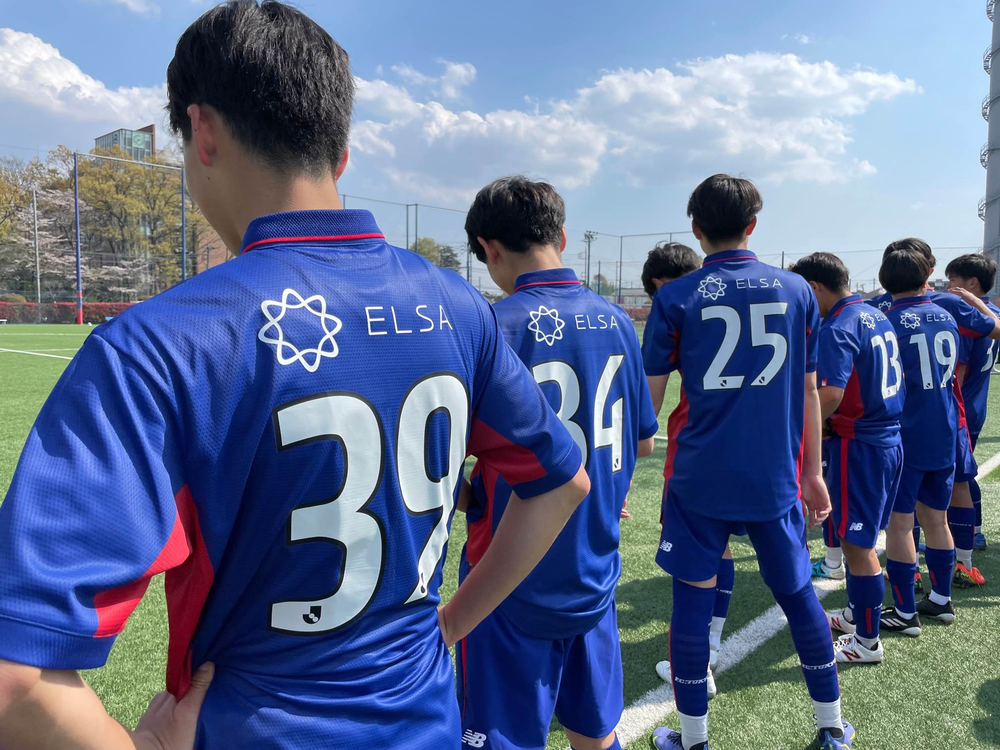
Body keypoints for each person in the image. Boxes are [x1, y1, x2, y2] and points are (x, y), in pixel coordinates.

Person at [0, 5, 591, 749]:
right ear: (340, 155)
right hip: (425, 719)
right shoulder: (456, 305)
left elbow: (17, 679)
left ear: (202, 132)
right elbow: (562, 484)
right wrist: (448, 626)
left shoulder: (159, 344)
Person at [644, 174, 850, 750]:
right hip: (773, 476)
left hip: (699, 476)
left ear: (695, 229)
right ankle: (831, 726)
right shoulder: (796, 290)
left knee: (692, 602)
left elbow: (647, 406)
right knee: (798, 596)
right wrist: (813, 472)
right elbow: (809, 391)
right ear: (753, 225)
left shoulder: (675, 297)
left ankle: (693, 739)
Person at [456, 176, 658, 750]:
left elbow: (441, 468)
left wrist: (470, 496)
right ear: (563, 237)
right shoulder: (618, 320)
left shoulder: (491, 326)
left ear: (489, 248)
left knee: (498, 738)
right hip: (594, 566)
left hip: (507, 576)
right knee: (596, 733)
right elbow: (642, 444)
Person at [790, 252, 904, 663]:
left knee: (857, 544)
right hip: (886, 439)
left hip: (859, 445)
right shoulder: (874, 314)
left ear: (814, 287)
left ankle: (867, 643)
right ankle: (858, 615)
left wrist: (804, 428)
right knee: (859, 537)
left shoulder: (838, 325)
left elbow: (830, 394)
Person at [868, 241, 1000, 592]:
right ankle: (957, 574)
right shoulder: (948, 307)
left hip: (905, 423)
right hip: (949, 417)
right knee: (947, 501)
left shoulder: (880, 313)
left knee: (902, 512)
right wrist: (978, 304)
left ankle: (907, 583)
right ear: (927, 272)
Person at [641, 243, 736, 698]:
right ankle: (712, 646)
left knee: (695, 562)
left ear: (661, 284)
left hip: (696, 450)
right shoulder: (767, 293)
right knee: (726, 549)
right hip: (758, 449)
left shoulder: (676, 302)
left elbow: (650, 399)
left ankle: (697, 667)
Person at [945, 254, 1000, 554]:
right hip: (977, 406)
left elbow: (959, 371)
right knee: (962, 473)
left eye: (953, 279)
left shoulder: (967, 316)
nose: (949, 286)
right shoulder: (992, 313)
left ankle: (970, 535)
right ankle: (972, 532)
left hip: (961, 409)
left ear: (972, 283)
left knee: (958, 477)